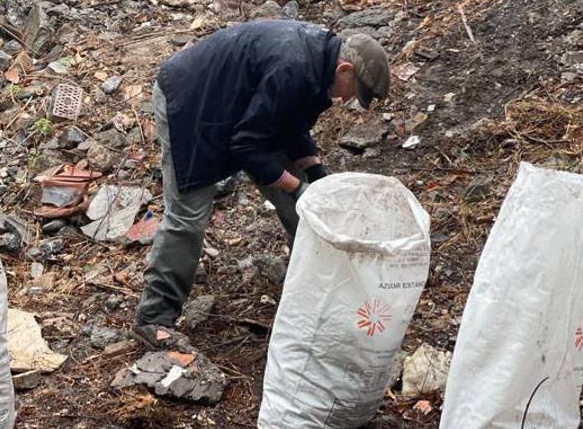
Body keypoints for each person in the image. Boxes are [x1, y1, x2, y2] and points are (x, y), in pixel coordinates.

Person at [131, 22, 391, 347]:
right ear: (345, 69)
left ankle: (316, 293)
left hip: (242, 110)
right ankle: (153, 317)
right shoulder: (295, 67)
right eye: (355, 90)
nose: (349, 98)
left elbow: (291, 124)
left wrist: (315, 173)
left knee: (307, 207)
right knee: (188, 216)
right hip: (192, 102)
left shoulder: (320, 66)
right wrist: (297, 187)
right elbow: (246, 146)